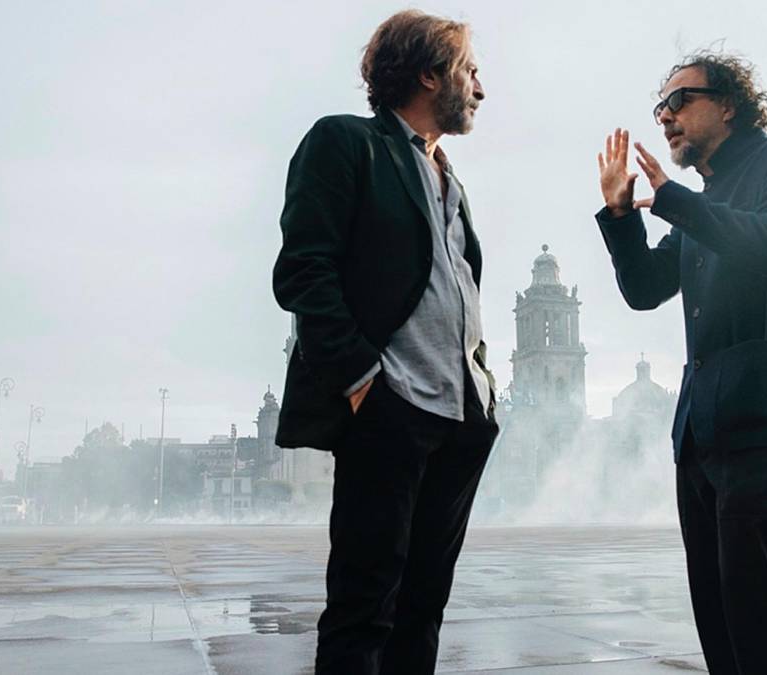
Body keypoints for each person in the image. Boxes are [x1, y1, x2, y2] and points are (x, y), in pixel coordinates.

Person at [594, 51, 767, 674]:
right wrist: (622, 216)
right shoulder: (702, 202)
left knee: (759, 608)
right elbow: (645, 288)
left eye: (679, 101)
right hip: (702, 429)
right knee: (717, 613)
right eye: (660, 108)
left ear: (730, 104)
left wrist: (675, 201)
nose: (665, 117)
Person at [271, 10, 498, 674]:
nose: (480, 89)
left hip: (460, 418)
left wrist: (483, 389)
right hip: (390, 409)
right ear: (429, 74)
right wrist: (362, 381)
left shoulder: (450, 177)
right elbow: (303, 270)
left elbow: (458, 289)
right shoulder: (346, 142)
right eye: (469, 71)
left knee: (422, 610)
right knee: (363, 610)